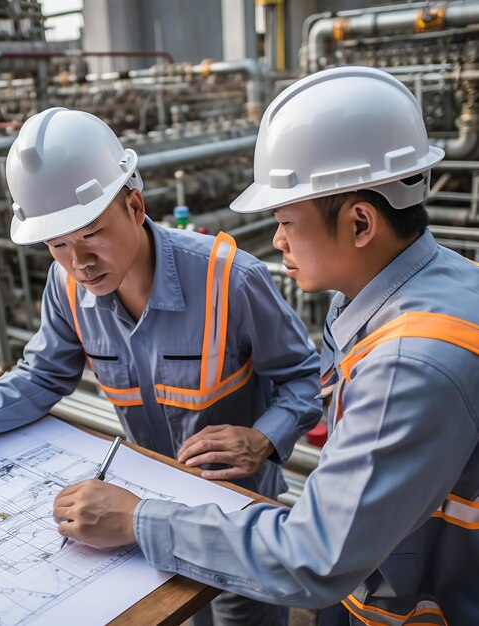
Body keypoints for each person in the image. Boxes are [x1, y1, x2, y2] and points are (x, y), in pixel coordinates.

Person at [48, 66, 479, 625]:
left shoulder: (408, 362)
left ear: (361, 222)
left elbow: (314, 556)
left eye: (285, 221)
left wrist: (139, 520)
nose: (276, 240)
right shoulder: (427, 286)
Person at [0, 107, 322, 626]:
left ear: (134, 204)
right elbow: (40, 377)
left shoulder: (229, 279)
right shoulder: (66, 289)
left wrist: (264, 438)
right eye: (57, 245)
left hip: (236, 517)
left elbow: (305, 377)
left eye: (91, 235)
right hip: (143, 512)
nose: (78, 262)